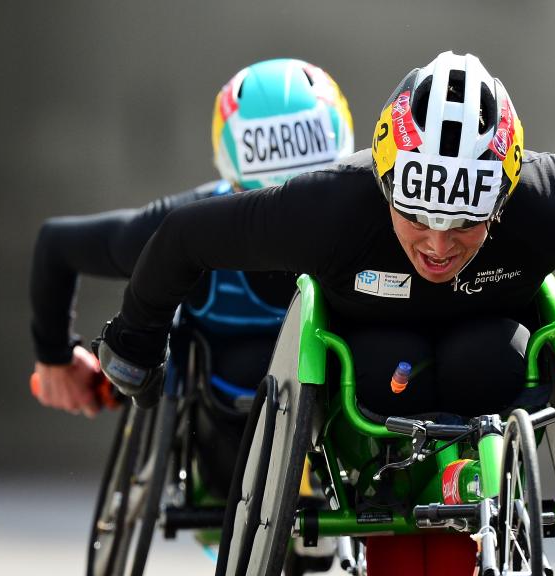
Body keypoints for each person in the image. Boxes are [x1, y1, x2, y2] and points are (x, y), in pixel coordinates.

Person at [94, 51, 555, 576]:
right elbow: (182, 239)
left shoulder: (549, 197)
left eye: (466, 221)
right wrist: (135, 342)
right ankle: (390, 493)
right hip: (375, 376)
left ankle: (463, 485)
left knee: (487, 365)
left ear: (506, 194)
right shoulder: (333, 205)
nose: (440, 245)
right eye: (418, 215)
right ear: (386, 180)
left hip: (486, 360)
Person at [28, 57, 354, 497]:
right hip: (233, 436)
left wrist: (55, 360)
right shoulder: (187, 231)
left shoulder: (184, 226)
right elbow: (56, 245)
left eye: (305, 195)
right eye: (270, 203)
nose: (286, 225)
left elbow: (57, 245)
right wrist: (54, 358)